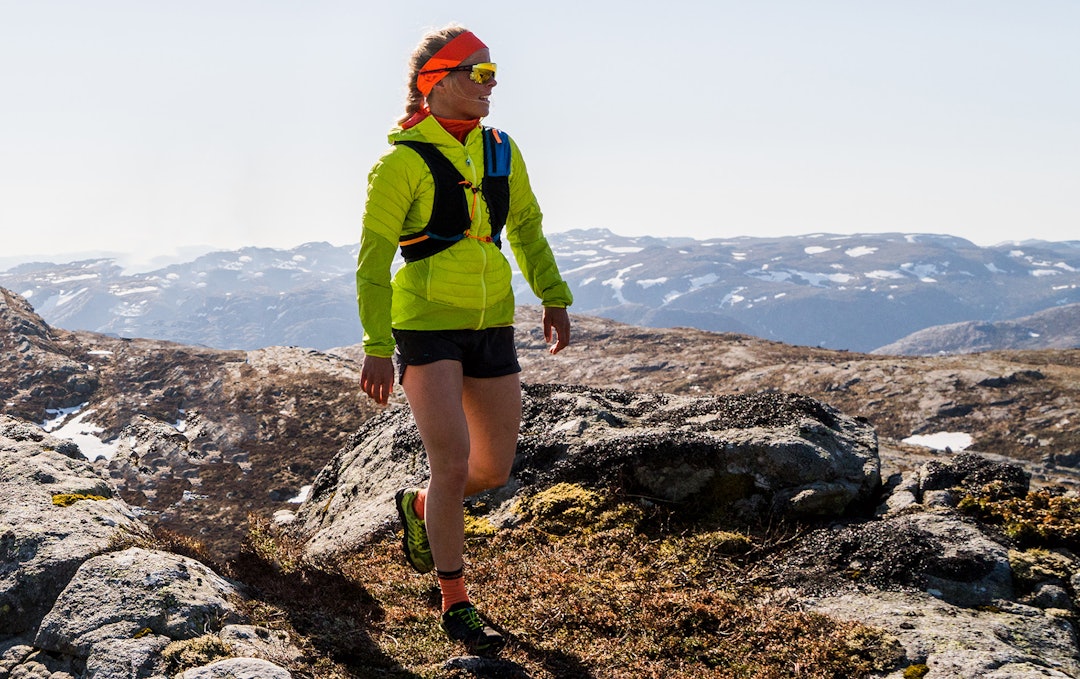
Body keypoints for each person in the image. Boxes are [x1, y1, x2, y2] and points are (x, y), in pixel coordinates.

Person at [356, 24, 573, 656]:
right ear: (436, 81)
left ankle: (422, 507)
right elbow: (372, 262)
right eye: (479, 73)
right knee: (451, 463)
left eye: (492, 72)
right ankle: (455, 601)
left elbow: (526, 226)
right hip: (425, 323)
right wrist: (376, 345)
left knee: (492, 469)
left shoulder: (501, 149)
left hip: (492, 320)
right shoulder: (400, 163)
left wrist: (553, 295)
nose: (492, 84)